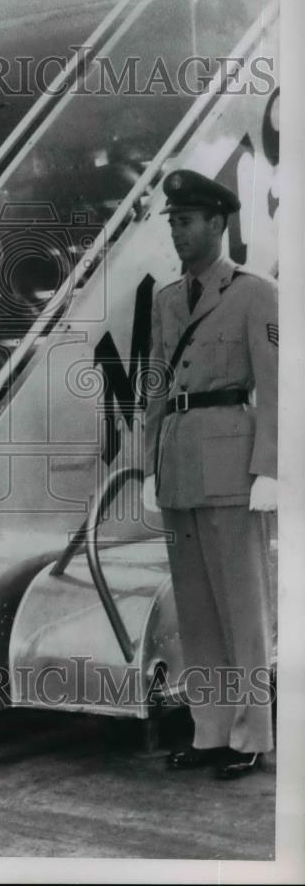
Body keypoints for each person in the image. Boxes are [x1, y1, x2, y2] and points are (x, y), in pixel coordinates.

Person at [143, 169, 278, 779]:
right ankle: (211, 729)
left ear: (218, 225)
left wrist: (268, 469)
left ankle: (252, 733)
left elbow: (276, 389)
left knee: (242, 606)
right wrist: (149, 464)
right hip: (178, 462)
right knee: (195, 609)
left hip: (230, 462)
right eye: (172, 222)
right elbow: (155, 388)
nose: (178, 232)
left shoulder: (255, 293)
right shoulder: (166, 299)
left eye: (187, 221)